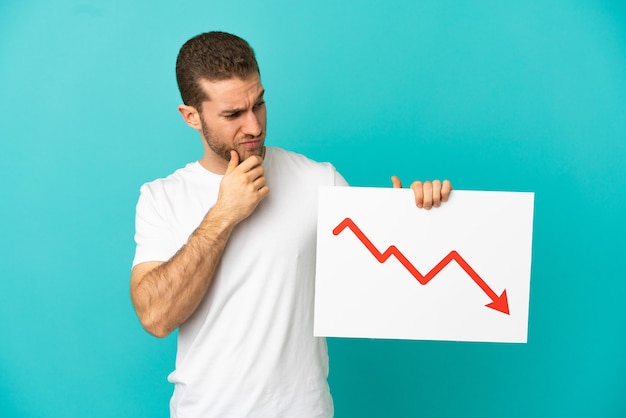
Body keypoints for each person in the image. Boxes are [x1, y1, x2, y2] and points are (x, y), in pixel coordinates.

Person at [130, 31, 452, 417]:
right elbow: (156, 317)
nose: (253, 126)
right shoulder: (162, 198)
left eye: (259, 104)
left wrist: (420, 215)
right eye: (233, 114)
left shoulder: (320, 181)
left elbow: (391, 282)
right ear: (191, 116)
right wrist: (224, 214)